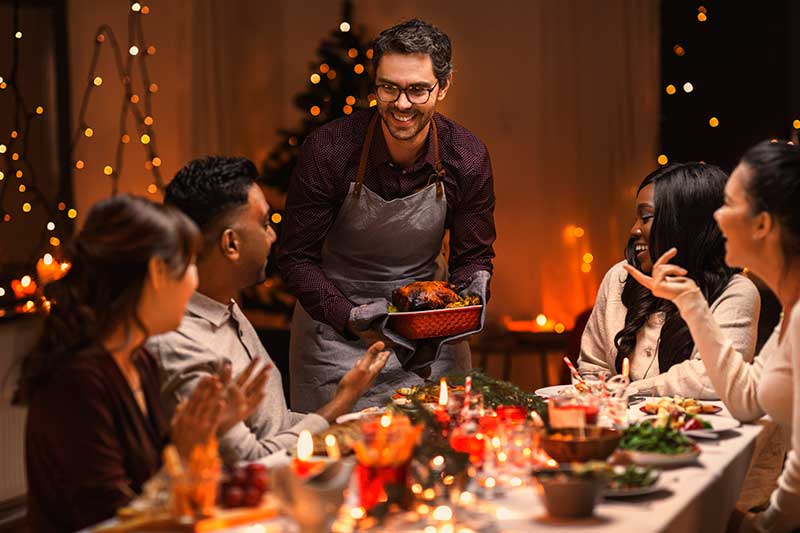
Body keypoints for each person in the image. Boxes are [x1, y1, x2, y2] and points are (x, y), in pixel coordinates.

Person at [279, 19, 496, 412]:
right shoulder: (329, 150)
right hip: (334, 341)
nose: (401, 104)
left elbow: (472, 258)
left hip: (429, 341)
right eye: (389, 87)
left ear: (443, 87)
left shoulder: (467, 156)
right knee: (334, 466)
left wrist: (468, 295)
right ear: (375, 83)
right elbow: (295, 259)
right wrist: (353, 318)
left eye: (417, 89)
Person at [18, 195, 263, 533]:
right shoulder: (77, 382)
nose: (195, 280)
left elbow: (153, 479)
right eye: (191, 263)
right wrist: (182, 449)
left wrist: (210, 430)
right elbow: (113, 521)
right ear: (157, 271)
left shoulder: (139, 360)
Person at [148, 156, 390, 463]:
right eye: (264, 224)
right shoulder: (181, 343)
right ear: (231, 244)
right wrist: (340, 404)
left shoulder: (225, 307)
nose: (273, 235)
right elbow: (249, 459)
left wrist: (350, 416)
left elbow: (270, 427)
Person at [625, 140, 800, 530]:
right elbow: (747, 399)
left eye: (729, 205)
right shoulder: (793, 311)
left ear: (762, 225)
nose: (715, 218)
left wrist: (754, 526)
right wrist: (693, 305)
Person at [579, 163, 760, 397]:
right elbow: (592, 368)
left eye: (646, 217)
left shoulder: (735, 291)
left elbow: (713, 379)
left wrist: (631, 390)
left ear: (686, 224)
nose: (634, 230)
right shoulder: (621, 277)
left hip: (697, 432)